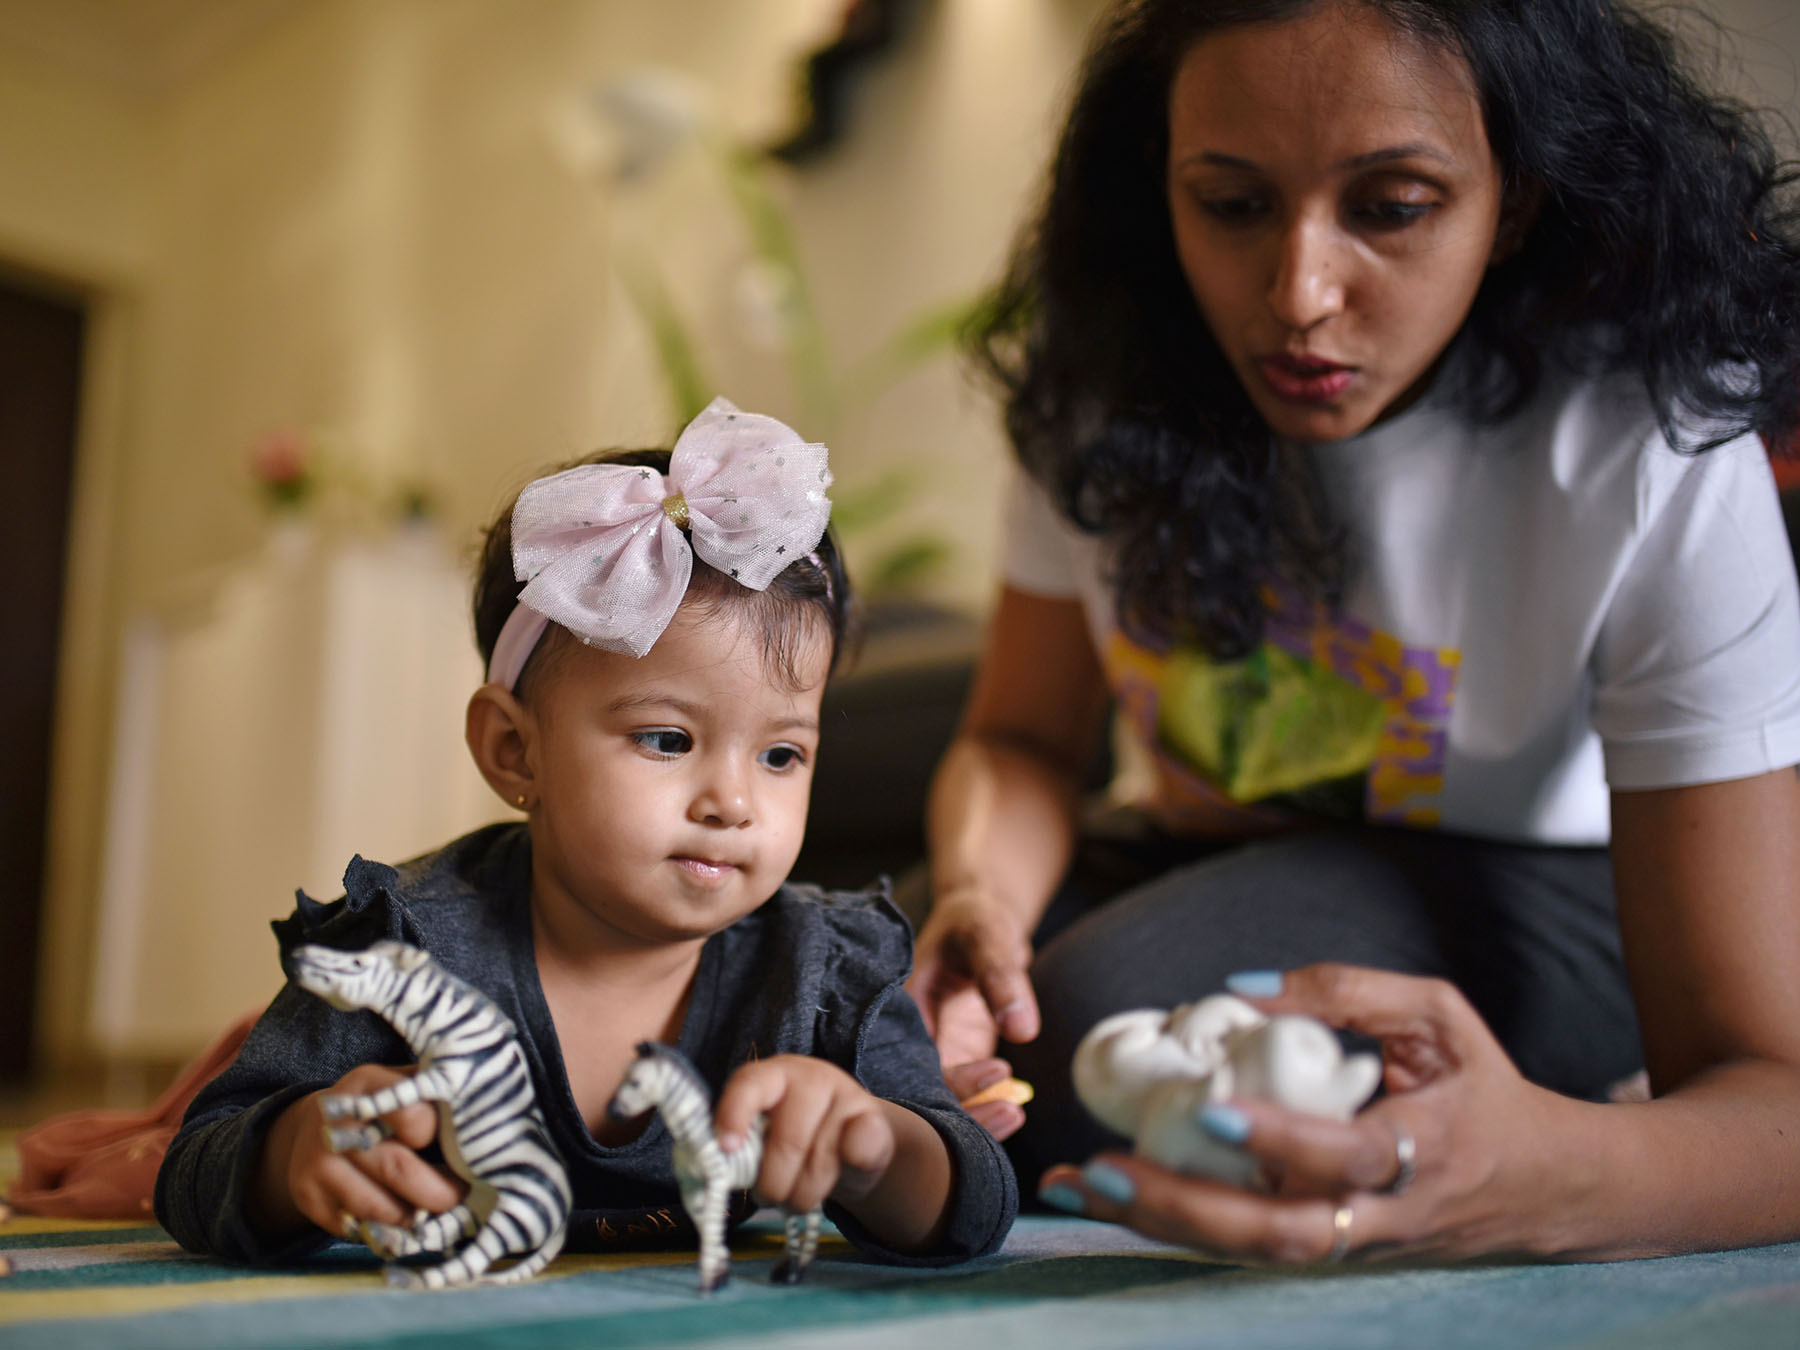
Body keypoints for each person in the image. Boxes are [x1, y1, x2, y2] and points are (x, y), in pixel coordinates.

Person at [908, 0, 1800, 1262]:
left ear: (1521, 201)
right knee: (828, 996)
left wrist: (1546, 1179)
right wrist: (978, 900)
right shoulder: (1107, 384)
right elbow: (1021, 736)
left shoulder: (1649, 449)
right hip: (1195, 847)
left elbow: (1772, 1101)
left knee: (1094, 1025)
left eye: (1391, 207)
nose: (1299, 294)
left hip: (1552, 877)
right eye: (1229, 204)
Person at [155, 398, 1017, 1269]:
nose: (733, 801)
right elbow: (195, 1166)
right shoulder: (410, 945)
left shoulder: (821, 970)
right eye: (667, 739)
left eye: (782, 754)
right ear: (513, 750)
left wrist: (883, 1152)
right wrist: (295, 1149)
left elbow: (977, 1197)